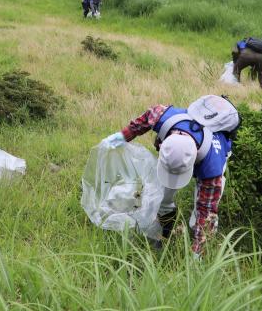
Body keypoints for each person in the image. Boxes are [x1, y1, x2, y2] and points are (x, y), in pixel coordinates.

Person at [102, 96, 238, 256]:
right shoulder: (162, 116)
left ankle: (200, 253)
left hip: (213, 152)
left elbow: (206, 210)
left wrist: (196, 256)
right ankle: (161, 234)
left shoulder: (212, 167)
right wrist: (113, 140)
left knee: (202, 214)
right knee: (162, 197)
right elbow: (139, 125)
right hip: (187, 144)